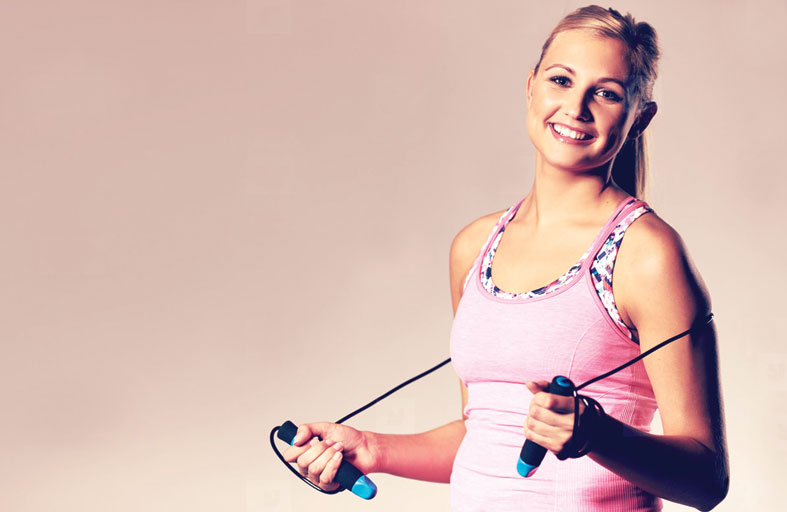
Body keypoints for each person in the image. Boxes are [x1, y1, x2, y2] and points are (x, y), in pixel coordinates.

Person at [282, 5, 729, 511]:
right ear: (531, 87)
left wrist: (596, 435)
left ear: (639, 118)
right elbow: (486, 433)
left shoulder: (646, 254)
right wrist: (372, 449)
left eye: (606, 93)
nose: (576, 107)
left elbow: (707, 480)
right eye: (561, 80)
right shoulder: (474, 247)